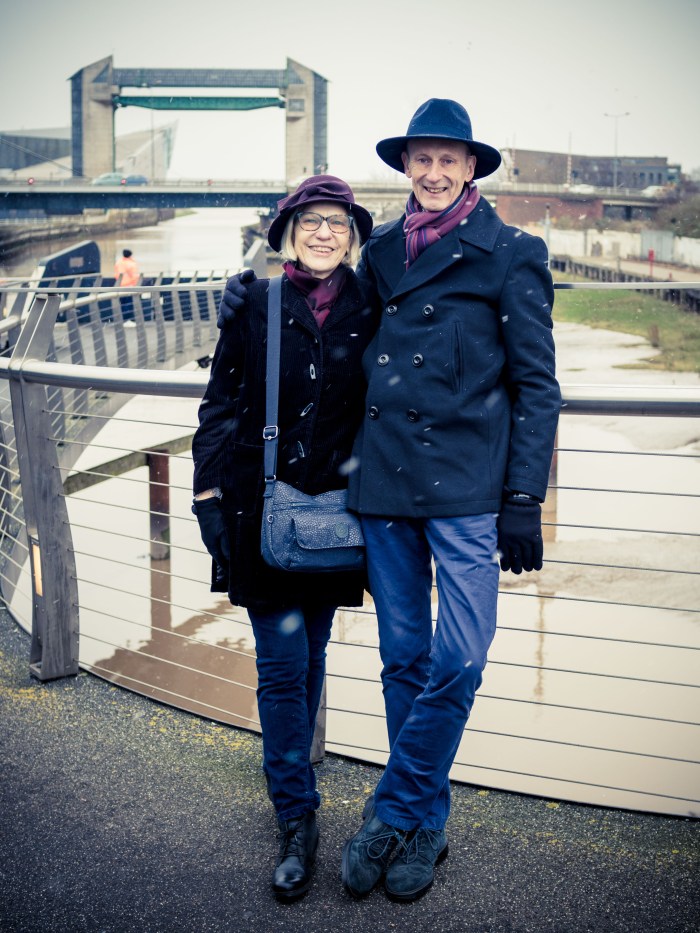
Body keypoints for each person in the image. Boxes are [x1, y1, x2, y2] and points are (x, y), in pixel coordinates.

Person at [220, 99, 561, 905]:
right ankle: (429, 826)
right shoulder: (378, 253)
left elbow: (537, 385)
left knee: (461, 658)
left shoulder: (513, 252)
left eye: (450, 159)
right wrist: (251, 300)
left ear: (472, 166)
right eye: (422, 159)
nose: (435, 172)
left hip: (471, 494)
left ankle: (395, 809)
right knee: (404, 658)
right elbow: (320, 303)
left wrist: (522, 496)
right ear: (405, 167)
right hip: (382, 490)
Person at [191, 175, 375, 902]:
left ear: (354, 235)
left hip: (336, 519)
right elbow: (220, 404)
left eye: (337, 221)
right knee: (280, 665)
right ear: (286, 230)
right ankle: (296, 818)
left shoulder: (373, 306)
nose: (324, 232)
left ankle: (293, 770)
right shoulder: (258, 302)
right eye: (310, 220)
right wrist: (206, 492)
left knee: (311, 656)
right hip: (262, 512)